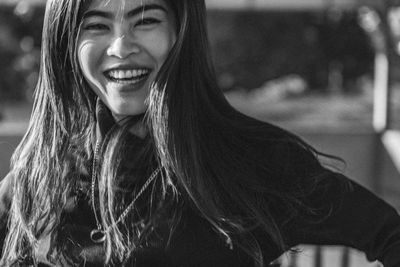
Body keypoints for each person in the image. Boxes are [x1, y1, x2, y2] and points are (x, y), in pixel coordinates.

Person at [0, 0, 400, 266]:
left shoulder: (251, 160)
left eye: (146, 20)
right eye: (96, 25)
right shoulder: (42, 171)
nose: (121, 46)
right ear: (66, 43)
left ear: (182, 32)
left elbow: (388, 233)